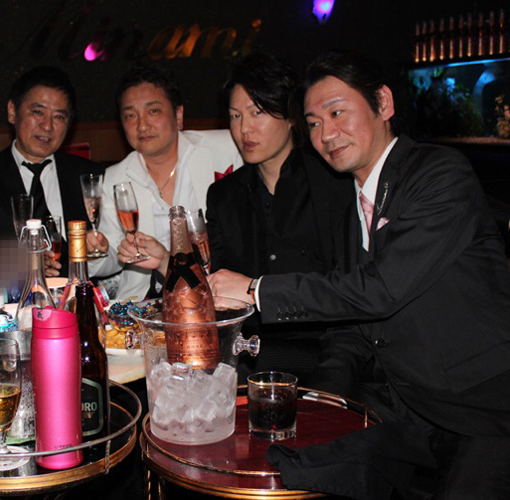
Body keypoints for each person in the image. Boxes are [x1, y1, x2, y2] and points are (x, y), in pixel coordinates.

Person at [210, 50, 510, 498]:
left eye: (337, 113)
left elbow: (379, 290)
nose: (326, 134)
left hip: (480, 407)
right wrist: (318, 400)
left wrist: (256, 290)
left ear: (383, 104)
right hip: (407, 402)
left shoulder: (439, 174)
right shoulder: (350, 201)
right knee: (285, 460)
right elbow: (353, 326)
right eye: (314, 123)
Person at [205, 52, 351, 382]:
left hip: (325, 354)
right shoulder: (223, 195)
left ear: (290, 117)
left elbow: (347, 287)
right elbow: (220, 285)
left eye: (257, 112)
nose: (244, 129)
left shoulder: (332, 183)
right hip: (249, 356)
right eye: (235, 116)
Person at [87, 63, 242, 301]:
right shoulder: (116, 178)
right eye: (130, 115)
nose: (142, 125)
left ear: (178, 115)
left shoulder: (226, 149)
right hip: (146, 303)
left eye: (153, 111)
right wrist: (97, 250)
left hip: (219, 295)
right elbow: (111, 259)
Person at [0, 65, 103, 276]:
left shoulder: (90, 177)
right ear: (12, 112)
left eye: (59, 117)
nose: (47, 126)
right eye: (37, 112)